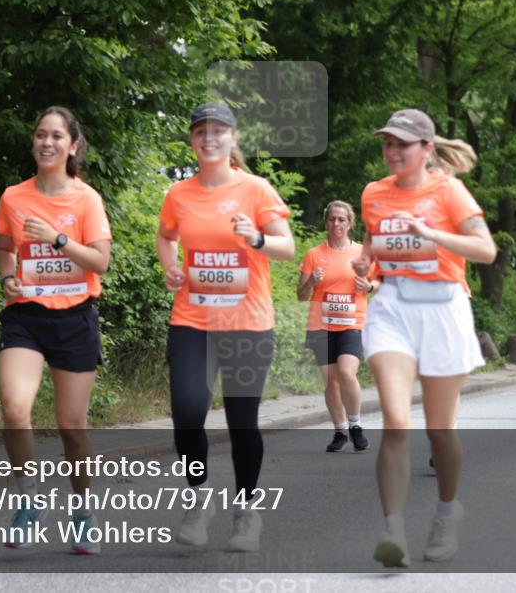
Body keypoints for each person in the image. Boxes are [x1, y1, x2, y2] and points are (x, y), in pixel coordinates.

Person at [350, 109, 496, 567]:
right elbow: (374, 243)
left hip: (442, 308)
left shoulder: (448, 191)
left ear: (426, 150)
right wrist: (363, 260)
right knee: (396, 419)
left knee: (439, 430)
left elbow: (486, 250)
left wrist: (430, 231)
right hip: (392, 306)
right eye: (387, 144)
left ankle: (447, 512)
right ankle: (393, 529)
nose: (392, 152)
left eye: (402, 144)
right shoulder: (373, 193)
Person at [156, 102, 294, 552]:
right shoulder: (179, 193)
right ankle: (198, 500)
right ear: (193, 140)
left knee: (241, 422)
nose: (209, 138)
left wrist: (255, 238)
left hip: (247, 323)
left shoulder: (255, 190)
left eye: (218, 130)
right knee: (187, 413)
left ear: (233, 138)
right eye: (201, 131)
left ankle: (247, 511)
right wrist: (170, 267)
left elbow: (286, 247)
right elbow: (166, 235)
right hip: (192, 318)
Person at [0, 106, 112, 552]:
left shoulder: (86, 200)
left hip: (75, 317)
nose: (47, 143)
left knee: (72, 427)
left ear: (73, 146)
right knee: (14, 408)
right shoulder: (13, 197)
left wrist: (57, 238)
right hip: (26, 316)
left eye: (57, 136)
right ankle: (28, 501)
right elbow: (5, 246)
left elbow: (101, 262)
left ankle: (83, 513)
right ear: (34, 143)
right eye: (41, 135)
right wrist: (7, 277)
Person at [298, 201, 380, 453]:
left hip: (351, 322)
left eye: (341, 219)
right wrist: (311, 280)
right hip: (320, 324)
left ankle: (355, 425)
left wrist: (368, 287)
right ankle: (339, 430)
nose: (336, 224)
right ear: (326, 222)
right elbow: (301, 295)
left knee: (346, 373)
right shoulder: (314, 254)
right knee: (331, 382)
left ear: (350, 222)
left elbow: (380, 282)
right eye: (332, 219)